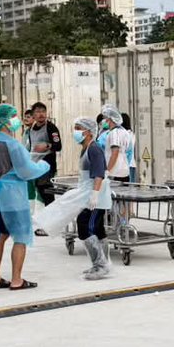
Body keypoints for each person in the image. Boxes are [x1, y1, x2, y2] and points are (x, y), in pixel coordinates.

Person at [0, 103, 51, 291]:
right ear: (5, 121)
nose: (16, 120)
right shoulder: (13, 145)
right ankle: (17, 279)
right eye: (13, 117)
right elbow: (26, 171)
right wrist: (44, 166)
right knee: (20, 237)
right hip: (15, 196)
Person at [74, 116, 113, 280]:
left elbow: (99, 174)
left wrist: (94, 195)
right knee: (97, 229)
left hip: (95, 197)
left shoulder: (94, 149)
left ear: (89, 132)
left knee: (85, 226)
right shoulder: (86, 148)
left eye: (78, 128)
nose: (75, 132)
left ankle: (101, 265)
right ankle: (103, 263)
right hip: (89, 194)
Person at [25, 102, 62, 236]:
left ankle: (51, 226)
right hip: (35, 167)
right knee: (42, 194)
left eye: (43, 111)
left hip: (46, 167)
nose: (41, 114)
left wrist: (47, 146)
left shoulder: (51, 128)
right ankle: (50, 224)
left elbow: (58, 146)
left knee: (47, 195)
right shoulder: (31, 129)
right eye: (38, 112)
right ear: (33, 115)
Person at [101, 106, 132, 184]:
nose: (104, 121)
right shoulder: (124, 131)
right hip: (124, 171)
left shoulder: (114, 133)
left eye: (105, 118)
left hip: (115, 173)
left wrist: (107, 171)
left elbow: (115, 153)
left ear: (111, 119)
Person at [121, 112, 138, 183]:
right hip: (132, 164)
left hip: (125, 165)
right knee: (131, 186)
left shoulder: (124, 135)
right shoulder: (132, 134)